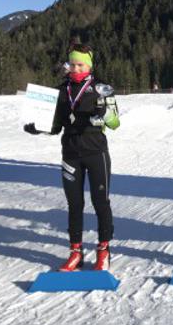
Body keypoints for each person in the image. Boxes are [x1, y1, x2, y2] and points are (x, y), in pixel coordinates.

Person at [23, 43, 120, 271]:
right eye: (73, 64)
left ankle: (103, 249)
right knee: (74, 204)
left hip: (96, 152)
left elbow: (116, 123)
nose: (76, 69)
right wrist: (39, 127)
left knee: (101, 202)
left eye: (81, 64)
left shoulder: (102, 88)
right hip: (71, 154)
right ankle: (75, 251)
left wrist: (105, 114)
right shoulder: (61, 91)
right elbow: (56, 126)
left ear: (89, 65)